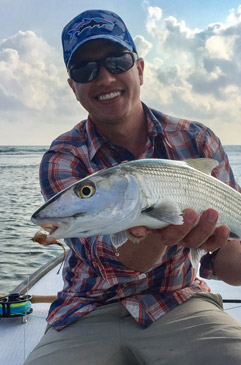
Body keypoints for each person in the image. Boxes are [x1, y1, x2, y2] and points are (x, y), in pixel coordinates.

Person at [25, 9, 241, 365]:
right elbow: (115, 261)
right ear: (72, 86)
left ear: (138, 69)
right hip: (86, 311)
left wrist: (221, 245)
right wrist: (164, 235)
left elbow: (227, 261)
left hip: (179, 300)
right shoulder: (63, 157)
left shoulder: (197, 139)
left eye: (117, 61)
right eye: (85, 70)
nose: (105, 77)